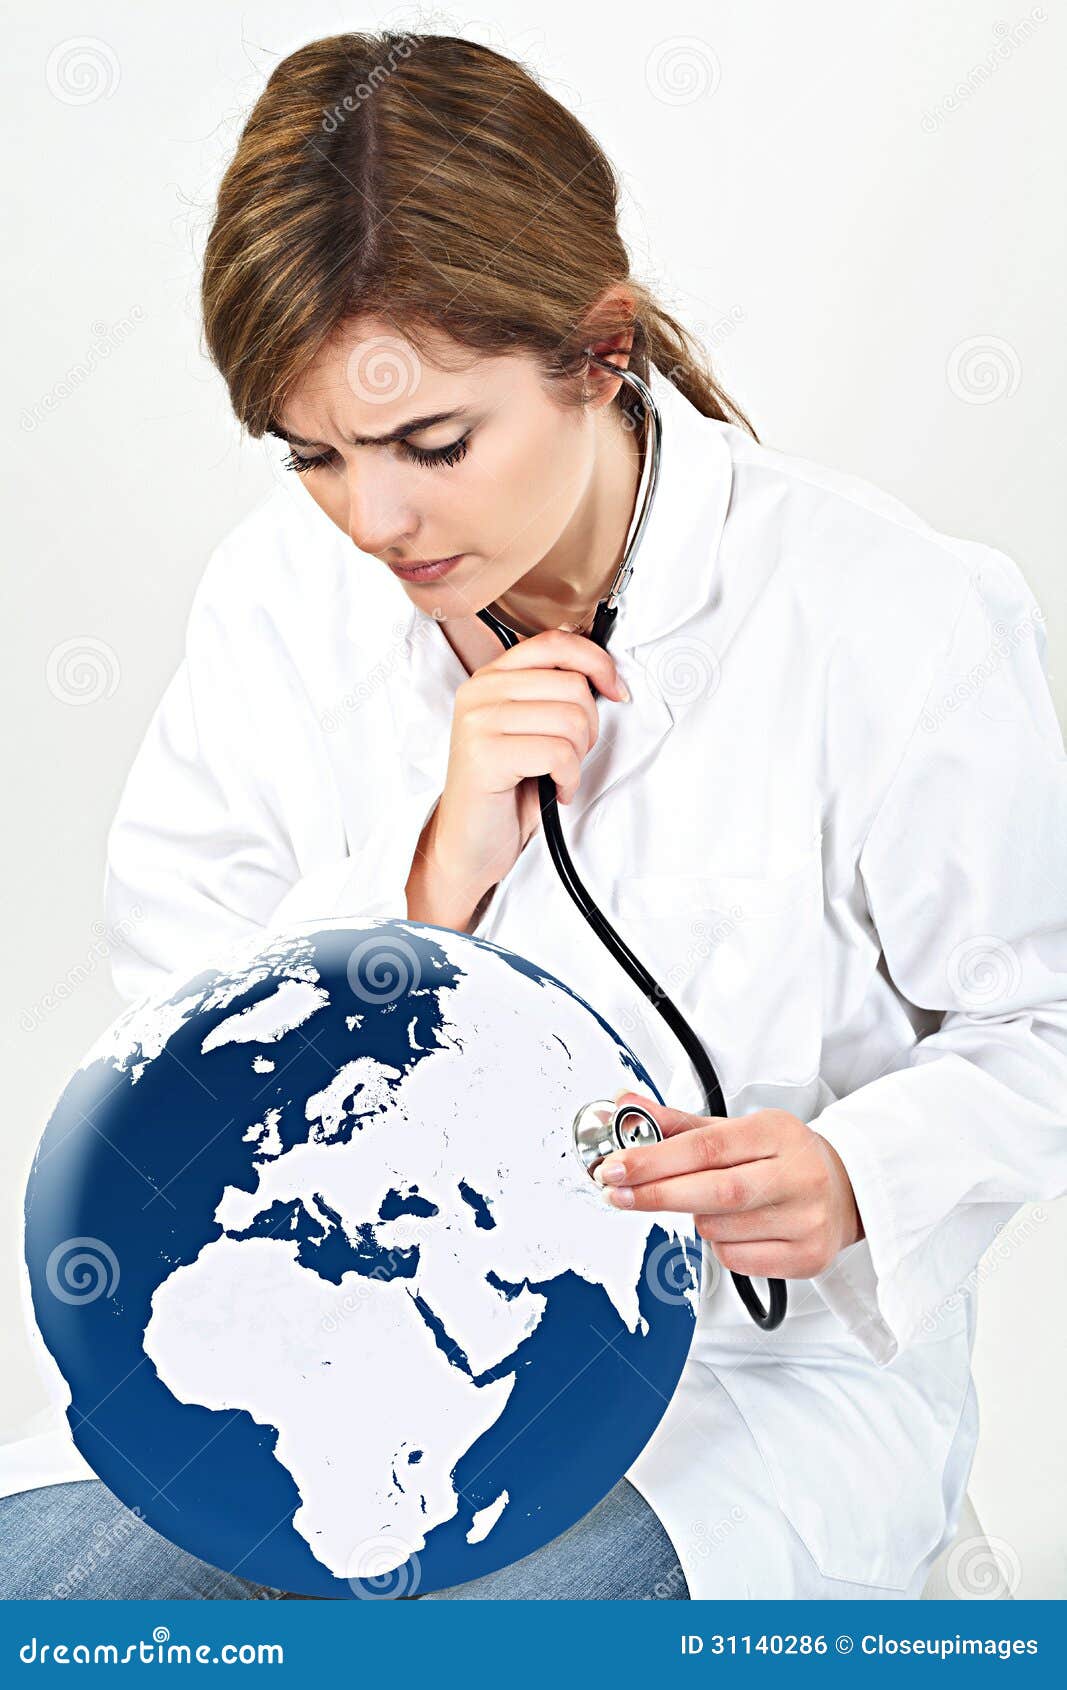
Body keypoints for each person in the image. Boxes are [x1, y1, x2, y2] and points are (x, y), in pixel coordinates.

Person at [4, 30, 1066, 1602]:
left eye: (435, 445)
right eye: (314, 456)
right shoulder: (280, 603)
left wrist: (860, 1173)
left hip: (737, 1393)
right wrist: (425, 875)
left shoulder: (882, 613)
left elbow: (1041, 1017)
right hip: (324, 1348)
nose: (374, 521)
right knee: (50, 1608)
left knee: (473, 1640)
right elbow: (174, 1031)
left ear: (600, 347)